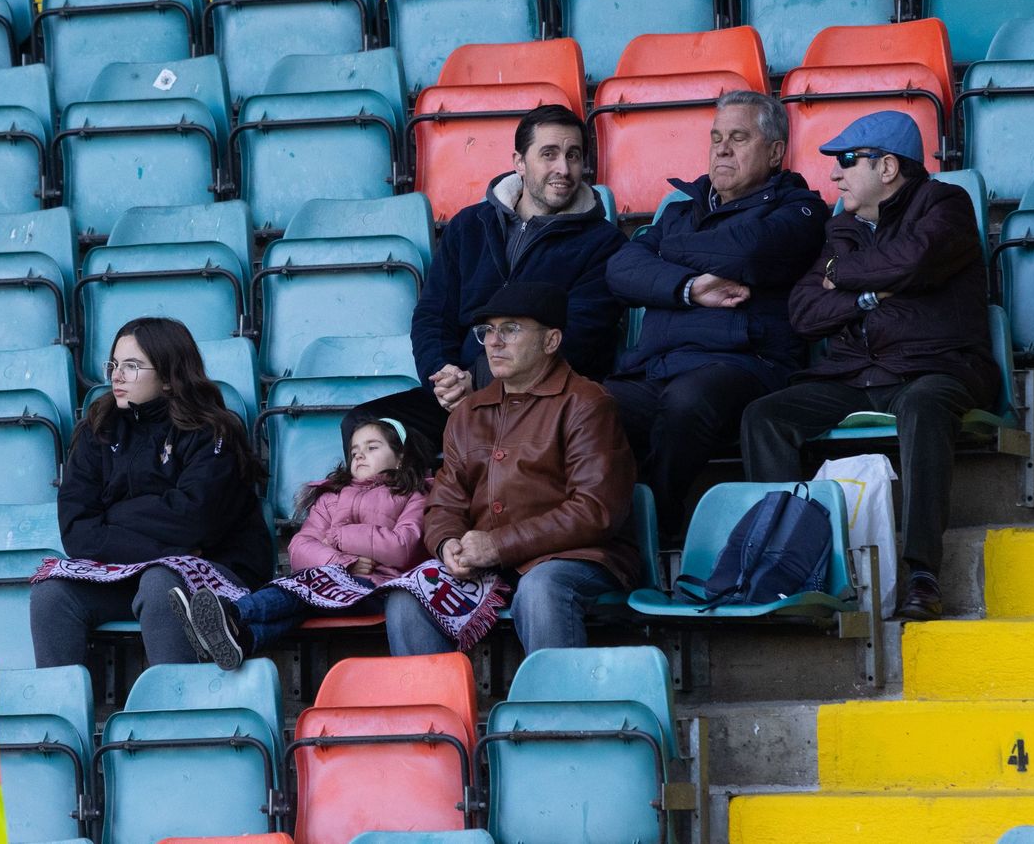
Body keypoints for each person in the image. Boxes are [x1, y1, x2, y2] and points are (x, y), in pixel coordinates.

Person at [740, 111, 999, 622]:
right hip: (856, 374)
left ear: (886, 167)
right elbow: (804, 312)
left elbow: (915, 259)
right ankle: (789, 571)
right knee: (764, 416)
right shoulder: (843, 227)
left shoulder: (945, 203)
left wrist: (845, 276)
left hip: (935, 368)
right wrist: (867, 297)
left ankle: (922, 574)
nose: (834, 175)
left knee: (924, 406)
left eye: (845, 161)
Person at [605, 90, 826, 537]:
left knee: (688, 401)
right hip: (658, 368)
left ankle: (657, 526)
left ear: (776, 151)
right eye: (717, 137)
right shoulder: (680, 213)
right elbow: (620, 270)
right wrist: (688, 287)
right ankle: (594, 536)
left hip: (746, 363)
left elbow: (749, 251)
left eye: (739, 138)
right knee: (586, 405)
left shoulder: (801, 211)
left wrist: (665, 254)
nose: (722, 148)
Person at [343, 103, 624, 455]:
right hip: (458, 395)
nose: (563, 169)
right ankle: (401, 511)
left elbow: (580, 337)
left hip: (542, 401)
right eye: (549, 154)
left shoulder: (605, 243)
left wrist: (479, 380)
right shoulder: (469, 226)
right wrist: (443, 377)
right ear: (519, 162)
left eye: (573, 156)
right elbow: (432, 315)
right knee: (366, 425)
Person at [386, 282, 638, 655]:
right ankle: (438, 715)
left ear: (551, 341)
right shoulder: (468, 413)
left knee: (541, 589)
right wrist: (447, 544)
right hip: (488, 565)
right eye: (487, 330)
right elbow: (445, 503)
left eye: (511, 329)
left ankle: (555, 713)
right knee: (407, 601)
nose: (494, 341)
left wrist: (498, 545)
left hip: (577, 558)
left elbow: (595, 511)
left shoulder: (587, 403)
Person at [29, 317, 274, 684]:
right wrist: (164, 534)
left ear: (169, 375)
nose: (117, 376)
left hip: (221, 572)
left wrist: (113, 516)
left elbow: (196, 520)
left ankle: (175, 718)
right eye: (113, 365)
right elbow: (78, 532)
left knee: (162, 583)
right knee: (52, 595)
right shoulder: (98, 427)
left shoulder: (213, 430)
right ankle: (59, 720)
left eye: (131, 366)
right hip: (126, 574)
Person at [171, 417, 432, 669]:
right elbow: (299, 549)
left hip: (379, 589)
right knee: (303, 597)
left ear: (401, 458)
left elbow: (402, 547)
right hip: (333, 582)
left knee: (304, 589)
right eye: (354, 452)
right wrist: (344, 563)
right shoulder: (331, 496)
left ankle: (233, 614)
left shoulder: (415, 494)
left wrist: (340, 536)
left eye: (372, 447)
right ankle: (242, 639)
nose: (360, 455)